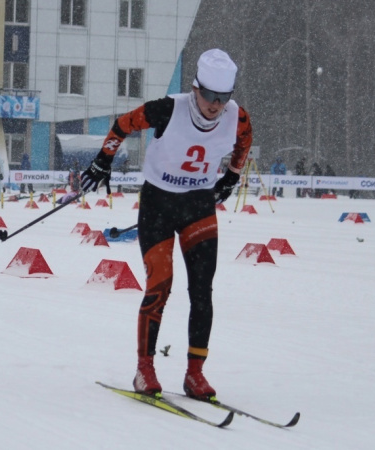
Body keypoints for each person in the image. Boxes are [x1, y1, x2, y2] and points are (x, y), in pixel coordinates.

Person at [80, 48, 253, 400]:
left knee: (202, 292)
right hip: (158, 203)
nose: (215, 105)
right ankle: (145, 369)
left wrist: (232, 176)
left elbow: (245, 142)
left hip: (198, 206)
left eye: (223, 98)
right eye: (209, 96)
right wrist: (103, 161)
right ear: (195, 88)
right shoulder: (168, 108)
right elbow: (122, 124)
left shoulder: (238, 118)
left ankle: (195, 374)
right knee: (160, 286)